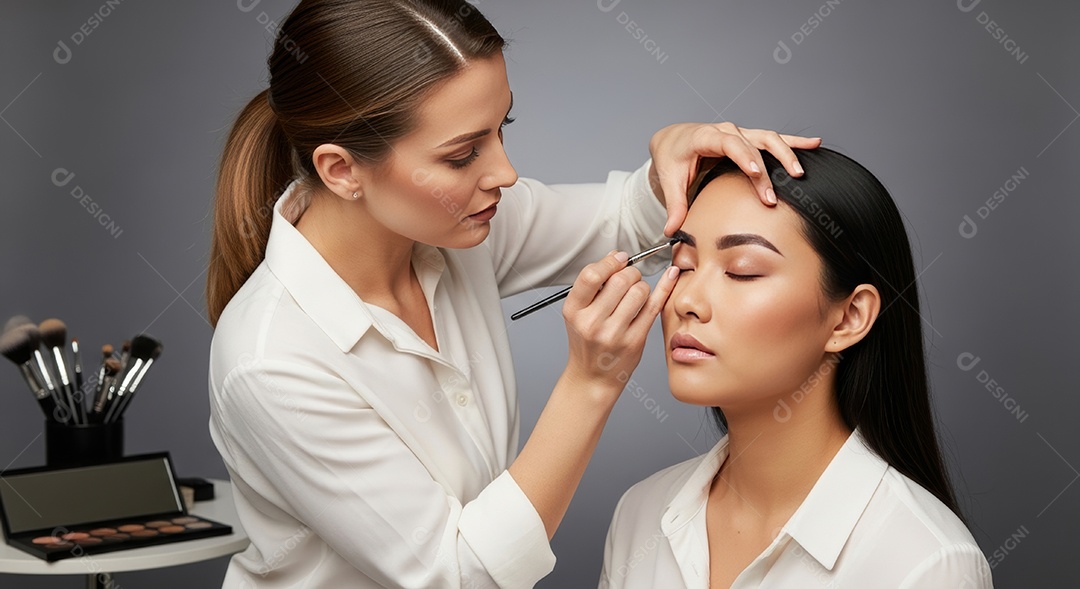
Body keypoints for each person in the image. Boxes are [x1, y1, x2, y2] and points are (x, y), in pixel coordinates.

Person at [205, 1, 817, 587]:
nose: (504, 173)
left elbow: (623, 217)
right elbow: (460, 575)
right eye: (463, 153)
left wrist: (668, 165)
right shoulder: (271, 362)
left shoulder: (454, 223)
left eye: (503, 128)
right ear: (342, 170)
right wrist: (592, 382)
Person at [600, 149, 994, 588]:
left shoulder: (925, 561)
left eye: (742, 271)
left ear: (849, 318)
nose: (687, 302)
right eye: (683, 265)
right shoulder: (641, 515)